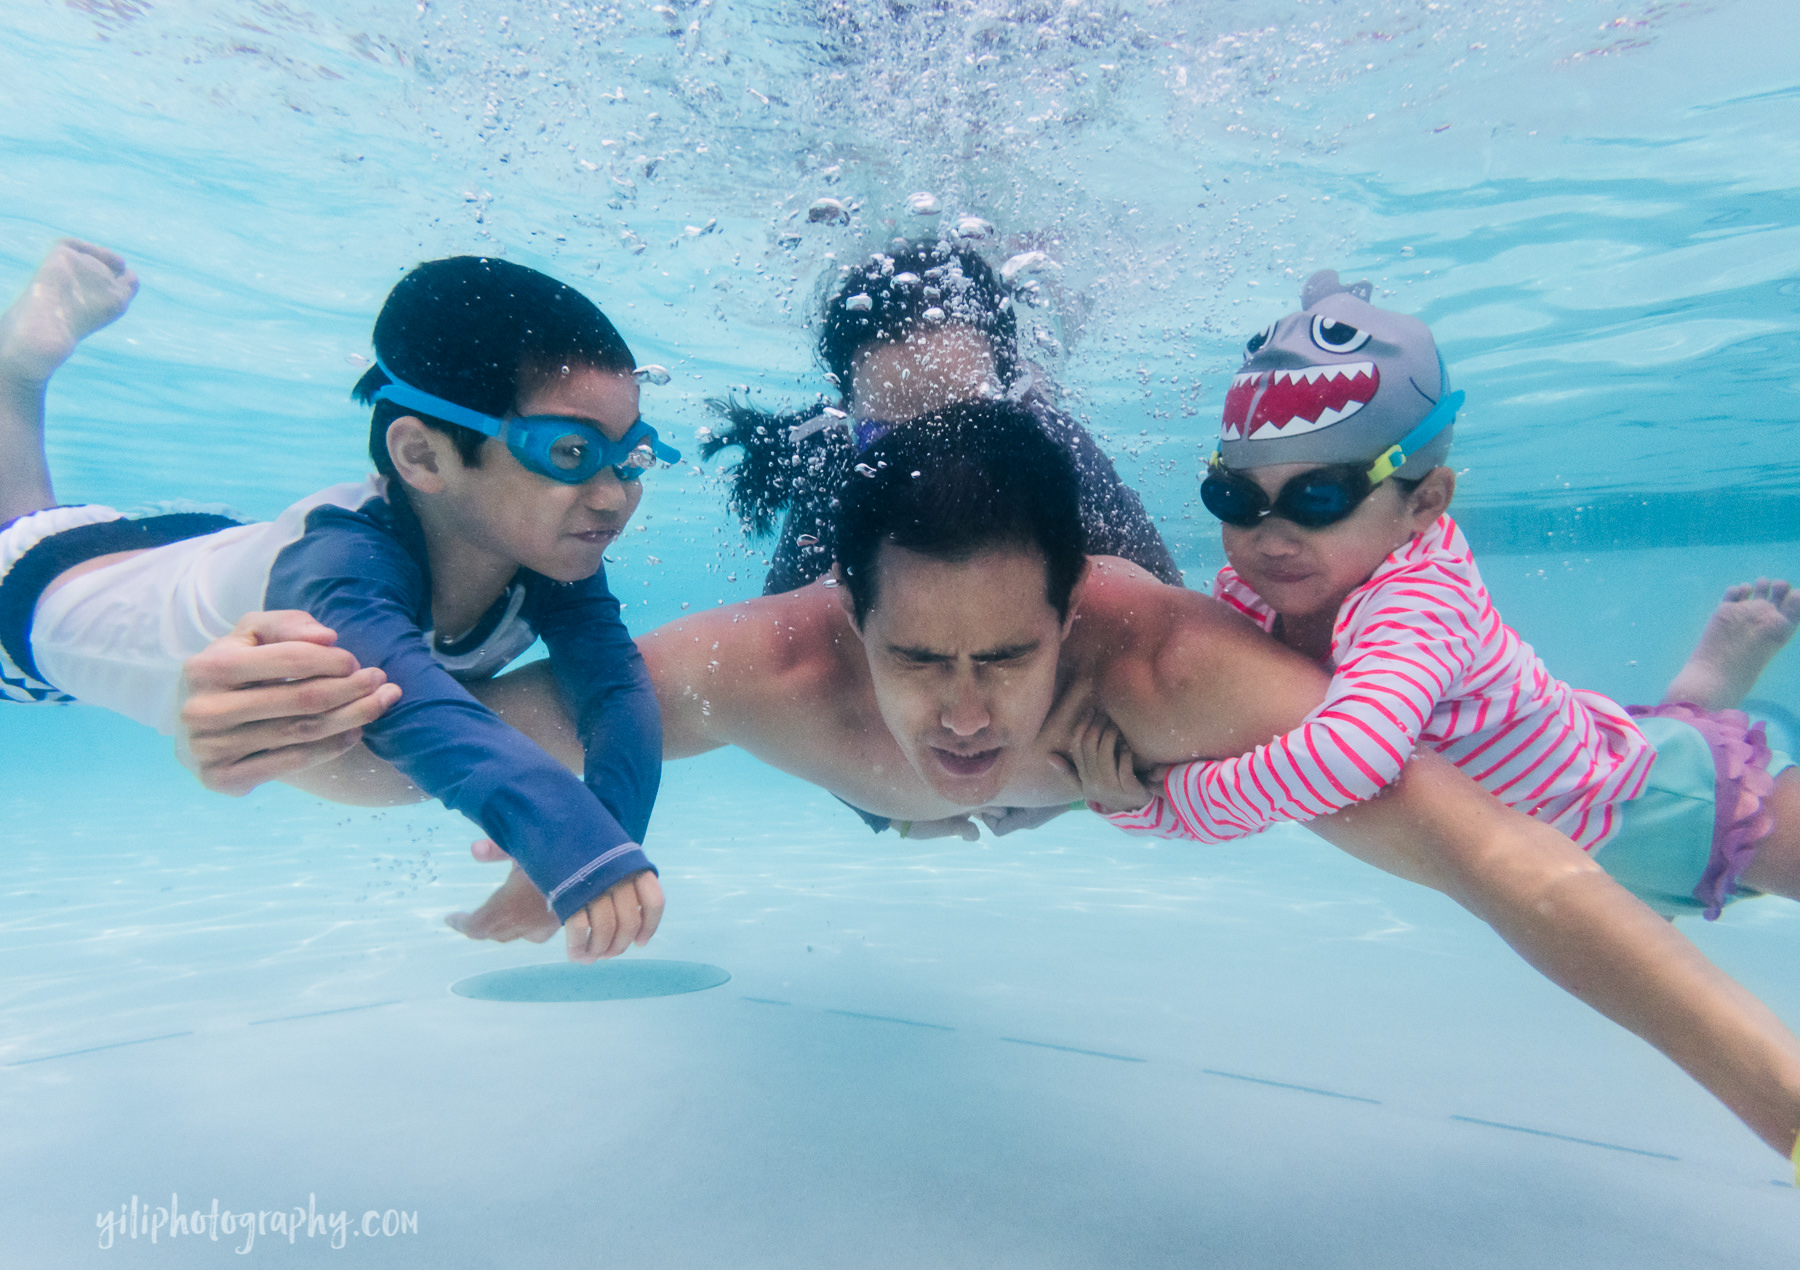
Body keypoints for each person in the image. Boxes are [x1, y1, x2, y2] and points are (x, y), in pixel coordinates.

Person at [174, 401, 1800, 1166]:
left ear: (1072, 620)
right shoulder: (772, 666)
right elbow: (427, 757)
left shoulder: (1162, 670)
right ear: (843, 616)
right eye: (917, 659)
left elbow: (1508, 860)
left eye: (1004, 662)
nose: (961, 719)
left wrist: (1766, 1091)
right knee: (876, 446)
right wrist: (274, 737)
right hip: (889, 649)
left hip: (1106, 662)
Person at [0, 239, 674, 961]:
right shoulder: (340, 571)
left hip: (203, 549)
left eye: (630, 456)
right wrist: (571, 842)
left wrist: (606, 830)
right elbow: (409, 705)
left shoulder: (547, 551)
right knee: (20, 527)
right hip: (33, 596)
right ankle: (18, 373)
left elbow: (616, 687)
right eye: (570, 453)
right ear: (421, 456)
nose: (612, 495)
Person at [1070, 271, 1800, 924]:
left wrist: (1172, 802)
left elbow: (1346, 760)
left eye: (1318, 498)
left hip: (1658, 810)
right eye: (1233, 497)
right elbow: (1221, 738)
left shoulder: (1420, 599)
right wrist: (1129, 804)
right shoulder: (1258, 596)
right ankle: (1699, 698)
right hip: (1543, 830)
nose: (1270, 535)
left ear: (1425, 502)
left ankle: (1703, 708)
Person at [701, 237, 1180, 837]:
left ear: (1016, 402)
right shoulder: (833, 477)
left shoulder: (1061, 460)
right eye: (889, 434)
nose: (935, 466)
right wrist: (884, 806)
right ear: (847, 415)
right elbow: (796, 685)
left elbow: (1164, 642)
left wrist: (1080, 791)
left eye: (971, 423)